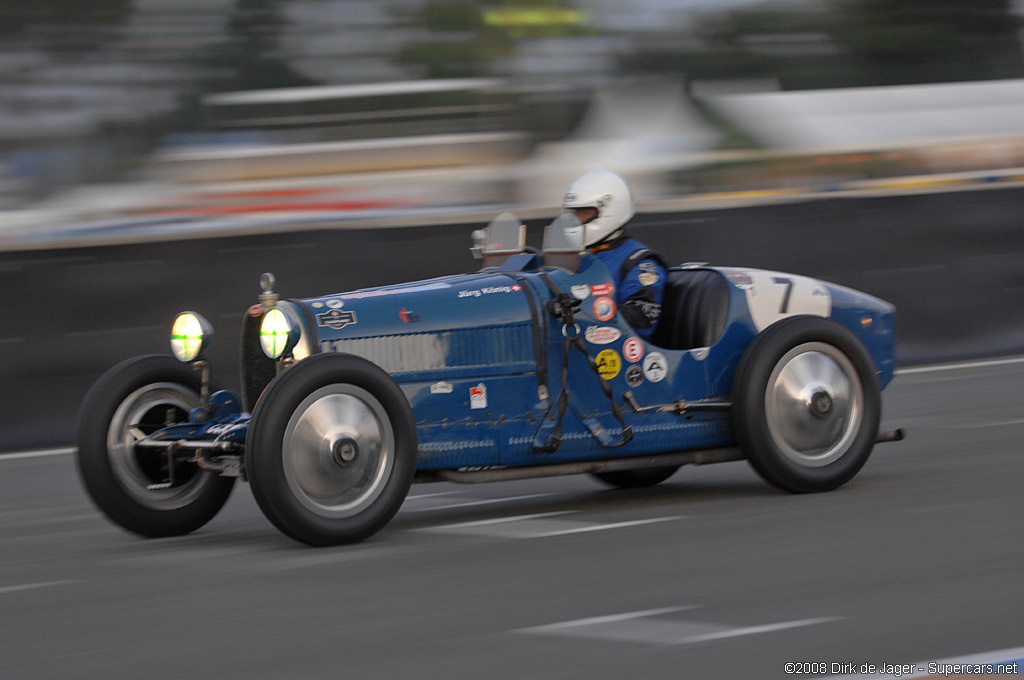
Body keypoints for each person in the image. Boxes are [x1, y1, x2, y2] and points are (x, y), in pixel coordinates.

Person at [562, 169, 666, 339]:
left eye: (585, 213)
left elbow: (643, 319)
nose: (578, 220)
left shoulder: (640, 262)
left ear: (609, 210)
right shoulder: (577, 258)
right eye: (576, 214)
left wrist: (585, 310)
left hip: (620, 354)